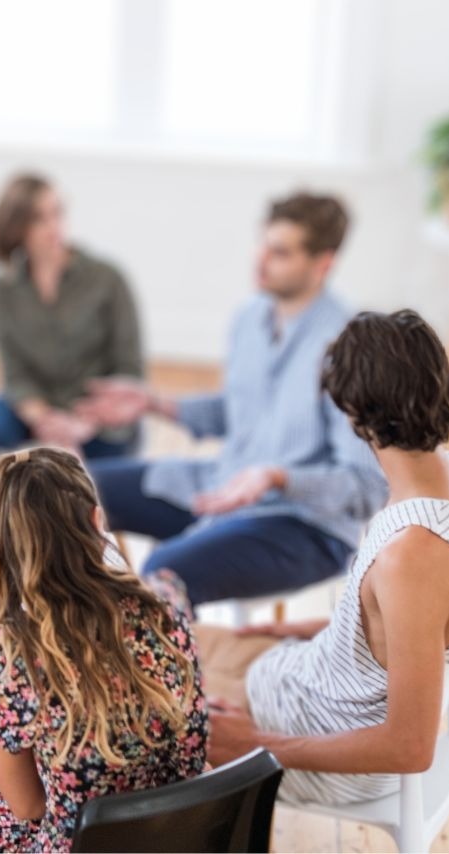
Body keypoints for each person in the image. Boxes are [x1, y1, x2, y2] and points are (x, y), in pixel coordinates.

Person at [200, 309, 449, 805]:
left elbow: (408, 747)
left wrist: (257, 745)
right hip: (306, 681)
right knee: (165, 645)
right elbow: (413, 629)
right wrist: (315, 627)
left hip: (321, 746)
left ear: (352, 414)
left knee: (130, 687)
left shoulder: (412, 557)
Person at [80, 192, 388, 606]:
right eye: (263, 244)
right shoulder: (249, 318)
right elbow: (244, 410)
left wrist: (279, 477)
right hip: (222, 486)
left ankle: (154, 663)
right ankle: (57, 639)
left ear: (323, 264)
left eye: (280, 252)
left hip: (304, 527)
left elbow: (367, 488)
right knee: (65, 491)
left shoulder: (349, 346)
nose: (260, 261)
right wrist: (155, 404)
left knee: (166, 571)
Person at [0, 448, 208, 853]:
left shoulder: (9, 654)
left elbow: (28, 805)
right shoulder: (167, 605)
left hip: (83, 842)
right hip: (172, 829)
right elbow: (191, 758)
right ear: (97, 521)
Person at [0, 173, 145, 684]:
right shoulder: (3, 290)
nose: (54, 226)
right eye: (40, 217)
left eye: (58, 213)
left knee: (73, 479)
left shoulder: (106, 279)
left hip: (98, 416)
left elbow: (129, 373)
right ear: (16, 228)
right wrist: (42, 418)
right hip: (39, 408)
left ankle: (82, 611)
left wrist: (79, 422)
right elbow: (15, 374)